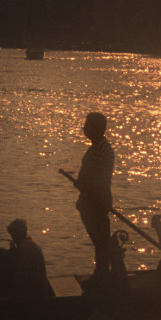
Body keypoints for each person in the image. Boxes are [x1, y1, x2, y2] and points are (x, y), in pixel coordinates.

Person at [61, 110, 114, 276]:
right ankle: (102, 274)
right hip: (94, 199)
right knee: (100, 242)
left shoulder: (101, 149)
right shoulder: (98, 147)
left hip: (96, 201)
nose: (84, 128)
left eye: (86, 125)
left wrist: (83, 185)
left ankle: (103, 275)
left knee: (100, 242)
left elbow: (94, 179)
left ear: (95, 128)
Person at [6, 218, 54, 297]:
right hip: (37, 289)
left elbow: (22, 274)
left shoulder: (26, 248)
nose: (12, 239)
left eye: (13, 235)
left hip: (33, 292)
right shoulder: (29, 245)